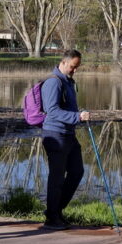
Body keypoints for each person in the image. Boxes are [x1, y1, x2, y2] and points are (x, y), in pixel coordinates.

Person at [39, 50, 91, 230]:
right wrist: (77, 117)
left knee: (77, 171)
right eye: (72, 67)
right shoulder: (53, 82)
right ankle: (52, 217)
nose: (75, 70)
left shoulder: (68, 81)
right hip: (55, 135)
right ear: (63, 62)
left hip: (68, 135)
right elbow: (51, 110)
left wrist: (77, 114)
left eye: (77, 67)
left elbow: (66, 108)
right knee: (57, 177)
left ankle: (55, 211)